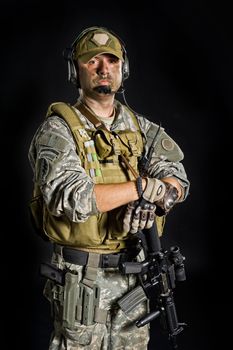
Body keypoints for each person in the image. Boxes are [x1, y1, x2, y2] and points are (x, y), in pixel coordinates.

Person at [28, 26, 190, 350]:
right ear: (76, 70)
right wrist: (145, 187)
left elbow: (178, 180)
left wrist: (157, 200)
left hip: (134, 279)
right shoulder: (57, 130)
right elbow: (75, 197)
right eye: (93, 62)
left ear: (123, 69)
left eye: (112, 61)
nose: (104, 69)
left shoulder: (141, 129)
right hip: (83, 282)